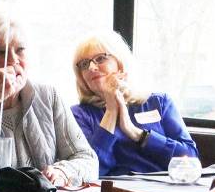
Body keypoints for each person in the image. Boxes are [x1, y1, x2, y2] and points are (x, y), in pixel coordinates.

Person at [0, 8, 98, 188]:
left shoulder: (49, 97)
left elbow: (88, 160)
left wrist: (63, 171)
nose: (13, 60)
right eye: (0, 52)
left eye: (20, 50)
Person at [70, 31, 198, 176]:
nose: (92, 68)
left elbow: (190, 158)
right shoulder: (78, 115)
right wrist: (111, 112)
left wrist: (136, 134)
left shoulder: (159, 102)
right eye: (84, 64)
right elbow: (91, 171)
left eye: (100, 58)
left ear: (120, 63)